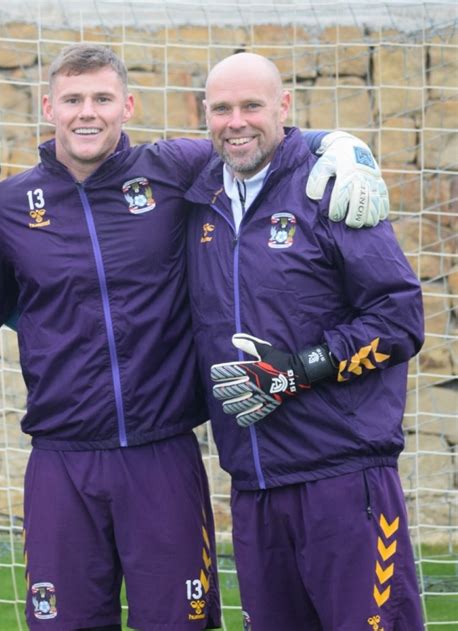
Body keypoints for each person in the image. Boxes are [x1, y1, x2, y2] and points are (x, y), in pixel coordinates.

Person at [0, 44, 389, 631]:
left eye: (102, 98)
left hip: (163, 453)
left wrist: (344, 148)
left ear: (129, 104)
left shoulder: (175, 170)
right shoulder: (8, 206)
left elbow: (255, 139)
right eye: (72, 99)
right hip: (60, 460)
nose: (86, 113)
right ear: (49, 107)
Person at [184, 52, 425, 631]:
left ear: (284, 107)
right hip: (255, 485)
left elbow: (399, 317)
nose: (236, 121)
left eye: (252, 106)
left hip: (342, 479)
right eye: (221, 109)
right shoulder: (197, 200)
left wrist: (298, 370)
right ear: (205, 114)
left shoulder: (332, 186)